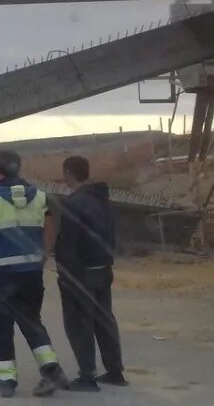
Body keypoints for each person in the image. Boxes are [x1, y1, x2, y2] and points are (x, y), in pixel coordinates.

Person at [0, 149, 69, 398]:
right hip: (30, 273)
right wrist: (42, 256)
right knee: (31, 321)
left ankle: (7, 382)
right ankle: (51, 368)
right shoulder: (39, 197)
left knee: (1, 328)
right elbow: (50, 229)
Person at [55, 155, 127, 391]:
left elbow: (68, 242)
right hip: (103, 269)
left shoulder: (73, 203)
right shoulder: (103, 200)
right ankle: (115, 371)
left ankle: (87, 376)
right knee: (104, 320)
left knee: (78, 324)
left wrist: (65, 274)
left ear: (68, 173)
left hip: (80, 273)